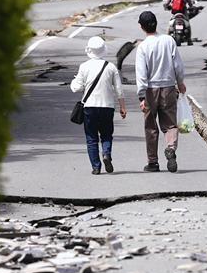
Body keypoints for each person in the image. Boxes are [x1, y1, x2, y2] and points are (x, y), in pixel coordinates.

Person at [135, 11, 187, 173]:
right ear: (156, 23)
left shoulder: (143, 47)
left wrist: (142, 96)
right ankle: (171, 148)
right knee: (170, 124)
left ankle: (153, 163)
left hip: (150, 90)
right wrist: (180, 82)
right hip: (169, 88)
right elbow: (178, 65)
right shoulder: (169, 40)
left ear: (142, 27)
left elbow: (141, 74)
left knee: (151, 126)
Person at [71, 36, 127, 175]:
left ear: (89, 50)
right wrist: (122, 107)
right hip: (107, 107)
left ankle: (96, 167)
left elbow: (76, 88)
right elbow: (119, 89)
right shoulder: (111, 67)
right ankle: (106, 154)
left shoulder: (84, 66)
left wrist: (75, 81)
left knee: (91, 138)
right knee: (107, 135)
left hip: (89, 107)